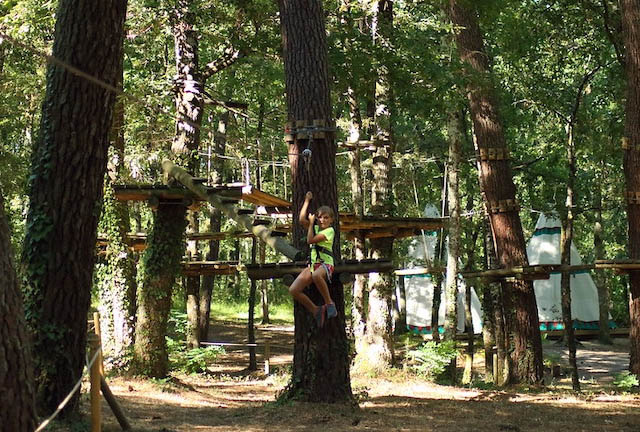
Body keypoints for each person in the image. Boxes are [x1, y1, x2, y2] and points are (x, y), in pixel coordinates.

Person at [288, 191, 338, 327]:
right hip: (312, 265)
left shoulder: (329, 231)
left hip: (326, 264)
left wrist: (311, 225)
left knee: (316, 276)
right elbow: (301, 220)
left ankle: (329, 303)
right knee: (293, 290)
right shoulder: (315, 227)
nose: (322, 220)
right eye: (320, 217)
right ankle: (316, 310)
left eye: (326, 218)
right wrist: (306, 200)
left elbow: (310, 240)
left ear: (331, 219)